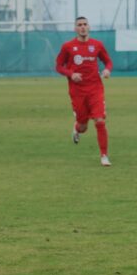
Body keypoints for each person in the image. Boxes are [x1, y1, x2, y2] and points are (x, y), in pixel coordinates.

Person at [56, 16, 113, 167]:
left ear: (89, 27)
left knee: (100, 121)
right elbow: (59, 66)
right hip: (77, 91)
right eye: (79, 25)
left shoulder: (97, 45)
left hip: (95, 89)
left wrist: (107, 70)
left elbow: (108, 61)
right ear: (75, 28)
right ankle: (76, 128)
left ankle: (104, 156)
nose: (82, 27)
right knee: (83, 126)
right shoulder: (68, 46)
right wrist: (71, 74)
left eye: (85, 24)